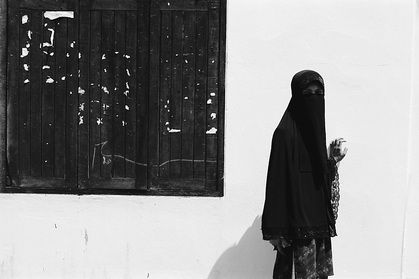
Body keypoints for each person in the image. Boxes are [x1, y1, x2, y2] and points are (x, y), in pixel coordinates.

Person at [262, 70, 347, 279]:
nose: (314, 98)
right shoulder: (284, 134)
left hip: (318, 229)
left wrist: (332, 161)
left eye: (319, 93)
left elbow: (315, 182)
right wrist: (275, 232)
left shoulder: (317, 137)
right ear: (296, 96)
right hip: (295, 232)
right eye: (307, 93)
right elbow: (276, 184)